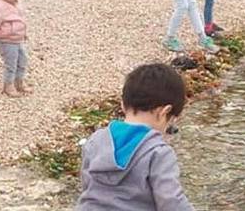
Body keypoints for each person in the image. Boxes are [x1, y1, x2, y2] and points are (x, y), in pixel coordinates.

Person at [77, 63, 194, 211]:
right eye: (170, 122)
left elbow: (88, 185)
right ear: (164, 112)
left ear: (123, 105)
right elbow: (171, 202)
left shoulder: (96, 140)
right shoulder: (158, 153)